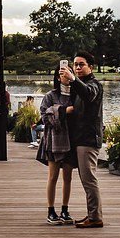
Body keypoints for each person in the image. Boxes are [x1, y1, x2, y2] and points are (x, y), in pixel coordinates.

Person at [65, 51, 105, 228]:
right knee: (86, 179)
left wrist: (73, 80)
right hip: (80, 138)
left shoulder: (95, 85)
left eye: (82, 64)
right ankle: (92, 214)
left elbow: (89, 94)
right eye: (75, 64)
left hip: (88, 139)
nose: (78, 67)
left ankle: (95, 217)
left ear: (91, 67)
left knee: (89, 180)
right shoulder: (79, 85)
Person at [39, 69, 76, 225]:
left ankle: (65, 209)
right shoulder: (50, 96)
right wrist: (62, 111)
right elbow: (44, 117)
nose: (65, 76)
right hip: (54, 141)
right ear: (57, 77)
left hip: (72, 140)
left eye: (68, 73)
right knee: (53, 176)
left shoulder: (77, 96)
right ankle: (51, 210)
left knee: (68, 177)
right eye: (62, 73)